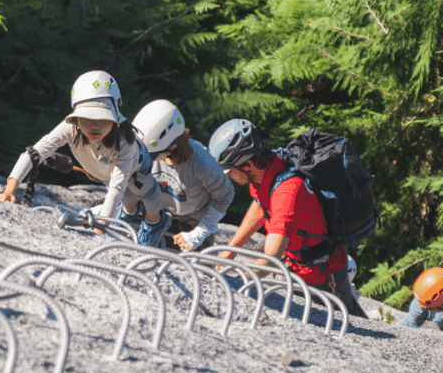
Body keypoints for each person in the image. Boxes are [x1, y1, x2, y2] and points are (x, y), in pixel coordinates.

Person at [208, 118, 365, 317]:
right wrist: (231, 249)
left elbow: (271, 257)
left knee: (348, 321)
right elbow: (261, 204)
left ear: (246, 165)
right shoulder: (269, 166)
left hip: (322, 273)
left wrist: (237, 282)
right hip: (297, 265)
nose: (228, 176)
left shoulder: (287, 193)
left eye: (229, 171)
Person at [0, 70, 168, 247]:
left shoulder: (126, 143)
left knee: (145, 190)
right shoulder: (70, 128)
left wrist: (100, 227)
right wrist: (10, 190)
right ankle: (129, 211)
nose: (95, 126)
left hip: (137, 168)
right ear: (76, 118)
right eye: (87, 119)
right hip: (107, 173)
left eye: (102, 119)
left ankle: (155, 221)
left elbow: (117, 186)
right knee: (126, 199)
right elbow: (36, 152)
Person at [131, 99, 234, 252]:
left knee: (195, 269)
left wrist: (199, 233)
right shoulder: (143, 150)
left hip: (194, 220)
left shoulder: (201, 161)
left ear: (172, 146)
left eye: (153, 154)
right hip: (158, 212)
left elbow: (225, 195)